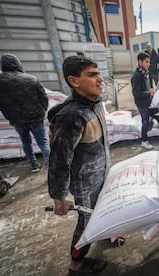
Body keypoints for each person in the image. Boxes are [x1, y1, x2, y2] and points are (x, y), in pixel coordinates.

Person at [47, 55, 109, 275]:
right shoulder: (71, 117)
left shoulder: (95, 105)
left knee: (102, 210)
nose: (100, 79)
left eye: (98, 73)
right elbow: (59, 162)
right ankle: (77, 261)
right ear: (74, 81)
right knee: (87, 221)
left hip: (100, 174)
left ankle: (105, 233)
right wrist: (59, 197)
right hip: (85, 184)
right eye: (92, 75)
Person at [0, 53, 49, 173]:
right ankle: (50, 167)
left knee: (25, 141)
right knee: (43, 143)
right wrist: (42, 111)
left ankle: (33, 165)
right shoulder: (31, 79)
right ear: (17, 63)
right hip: (36, 117)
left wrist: (8, 112)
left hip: (16, 119)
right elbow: (43, 98)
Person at [131, 51, 159, 150]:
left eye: (149, 62)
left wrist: (151, 91)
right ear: (140, 62)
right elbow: (136, 93)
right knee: (145, 121)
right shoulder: (136, 76)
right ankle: (144, 141)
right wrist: (148, 93)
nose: (149, 64)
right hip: (142, 104)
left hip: (149, 101)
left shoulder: (146, 73)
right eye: (146, 62)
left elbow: (149, 86)